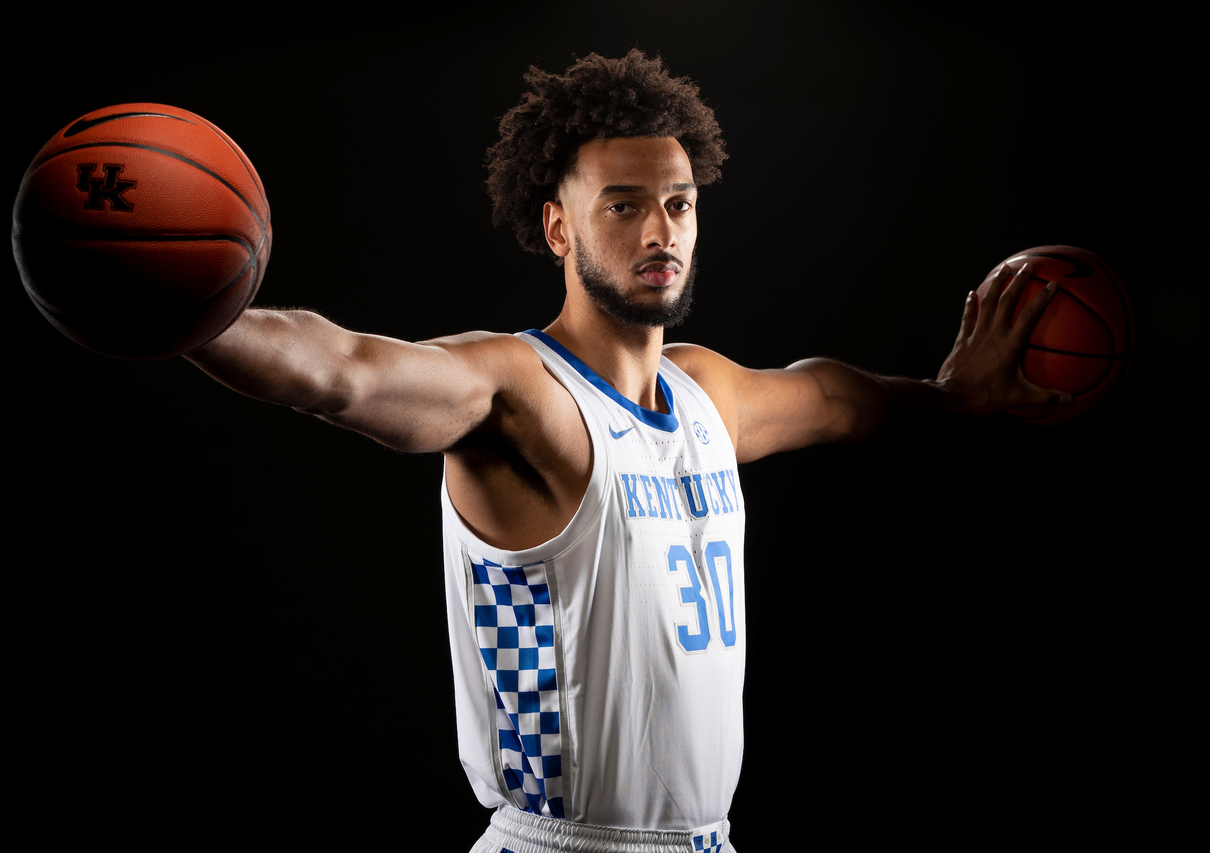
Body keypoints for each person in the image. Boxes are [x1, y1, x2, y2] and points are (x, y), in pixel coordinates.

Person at [185, 50, 1066, 853]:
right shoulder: (521, 392)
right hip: (563, 844)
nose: (661, 231)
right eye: (624, 205)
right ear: (559, 229)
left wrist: (952, 398)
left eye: (678, 204)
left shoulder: (705, 397)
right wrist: (189, 313)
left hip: (708, 839)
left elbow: (841, 402)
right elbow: (344, 369)